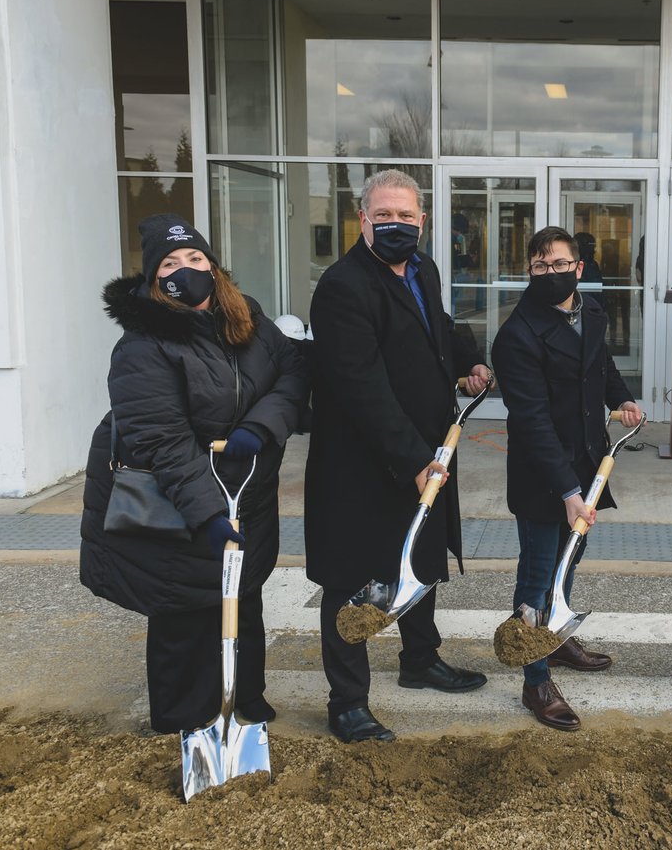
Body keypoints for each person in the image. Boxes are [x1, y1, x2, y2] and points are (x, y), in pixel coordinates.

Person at [80, 214, 307, 734]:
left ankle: (245, 691)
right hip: (176, 492)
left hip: (243, 484)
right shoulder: (143, 345)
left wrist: (259, 425)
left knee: (242, 591)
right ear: (153, 280)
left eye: (195, 259)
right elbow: (160, 440)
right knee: (184, 601)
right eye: (170, 263)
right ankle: (185, 718)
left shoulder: (246, 320)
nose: (186, 270)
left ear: (214, 267)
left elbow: (293, 373)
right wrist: (204, 512)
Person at [305, 169, 491, 744]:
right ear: (362, 220)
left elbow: (433, 328)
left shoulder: (423, 268)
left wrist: (467, 361)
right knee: (352, 577)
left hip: (422, 446)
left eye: (405, 216)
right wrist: (413, 458)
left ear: (422, 220)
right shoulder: (342, 287)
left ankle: (419, 660)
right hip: (360, 463)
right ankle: (347, 702)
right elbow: (361, 385)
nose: (395, 225)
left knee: (420, 556)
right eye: (383, 216)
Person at [491, 226, 643, 732]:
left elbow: (602, 365)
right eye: (540, 266)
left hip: (587, 460)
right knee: (538, 577)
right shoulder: (516, 335)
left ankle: (556, 642)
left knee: (569, 562)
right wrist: (568, 491)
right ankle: (535, 678)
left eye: (559, 265)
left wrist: (621, 399)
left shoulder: (593, 313)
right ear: (529, 271)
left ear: (579, 269)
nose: (549, 273)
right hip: (543, 474)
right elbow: (531, 421)